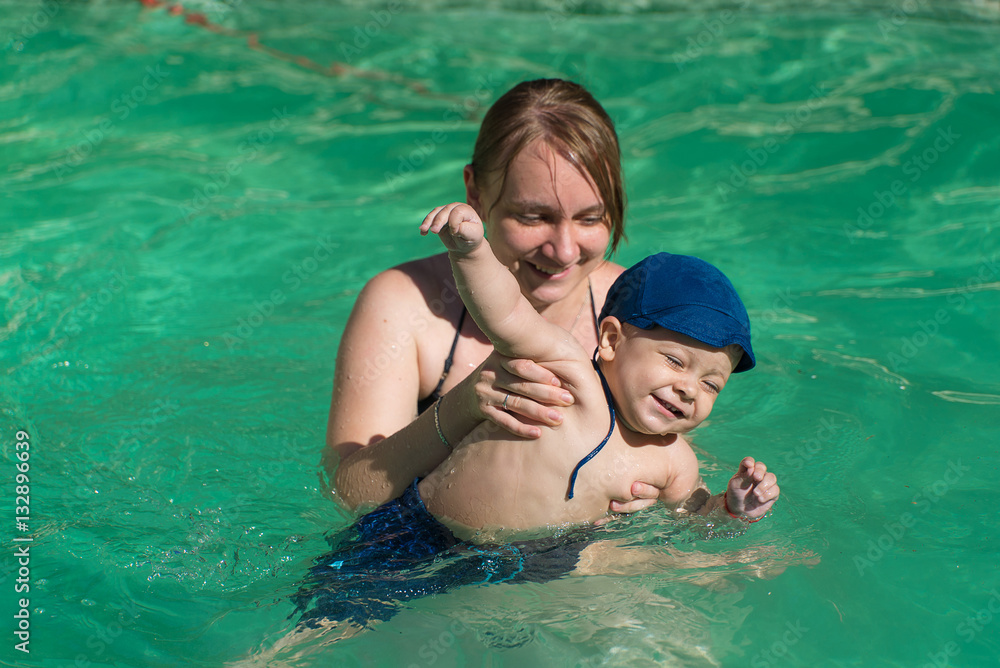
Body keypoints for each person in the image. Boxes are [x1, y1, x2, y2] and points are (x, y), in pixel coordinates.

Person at [291, 204, 779, 630]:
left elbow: (689, 524)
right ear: (609, 340)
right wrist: (471, 250)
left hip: (548, 563)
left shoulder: (674, 462)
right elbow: (505, 312)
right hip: (423, 533)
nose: (688, 388)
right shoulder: (567, 371)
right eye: (674, 361)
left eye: (711, 384)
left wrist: (731, 509)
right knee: (320, 626)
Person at [326, 78, 663, 513]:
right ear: (474, 193)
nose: (563, 250)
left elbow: (678, 463)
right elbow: (348, 494)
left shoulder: (634, 308)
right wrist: (462, 407)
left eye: (590, 218)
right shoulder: (406, 305)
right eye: (533, 216)